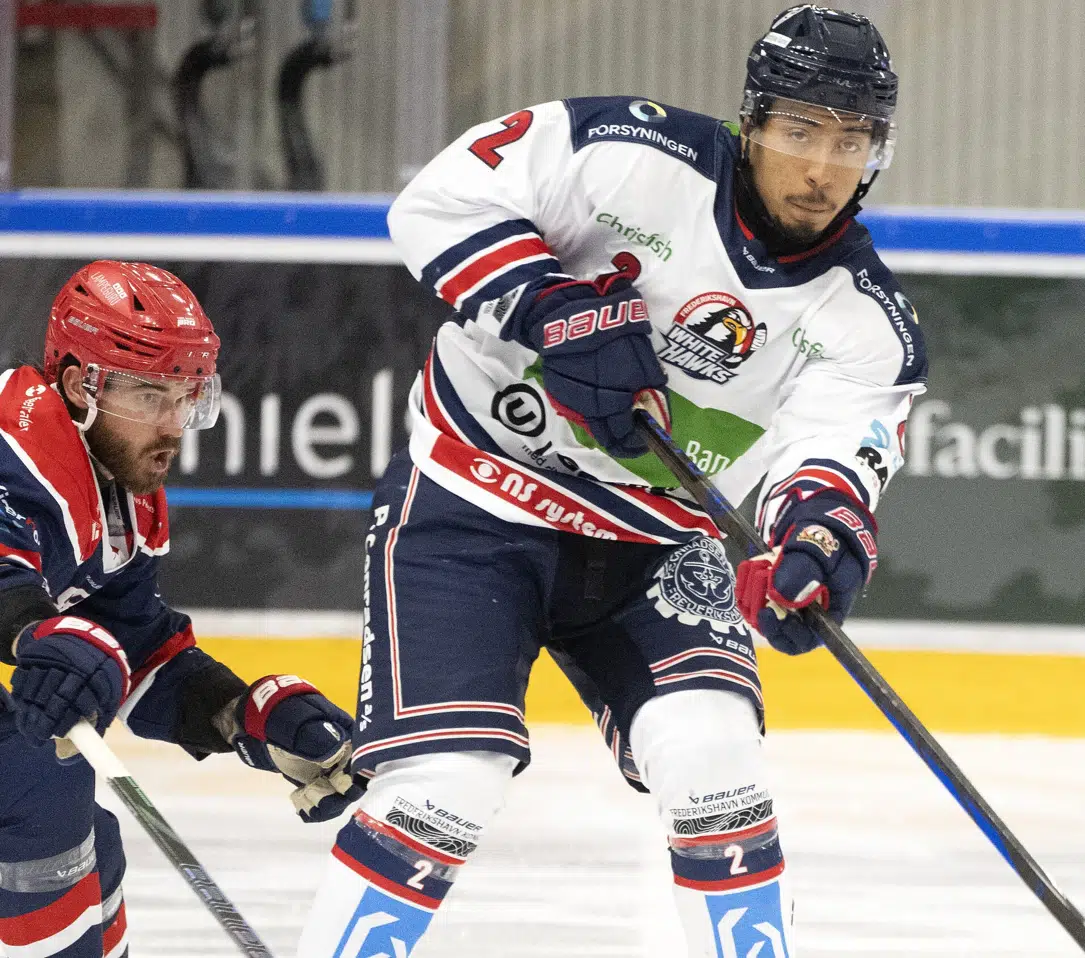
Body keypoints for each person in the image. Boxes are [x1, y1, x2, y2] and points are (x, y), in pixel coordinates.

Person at [297, 5, 925, 956]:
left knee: (718, 764)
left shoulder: (867, 319)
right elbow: (437, 199)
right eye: (800, 132)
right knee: (443, 788)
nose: (822, 169)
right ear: (751, 121)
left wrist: (816, 545)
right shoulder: (624, 149)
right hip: (475, 500)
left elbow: (830, 460)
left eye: (852, 141)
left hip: (656, 543)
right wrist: (549, 306)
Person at [0, 261, 363, 958]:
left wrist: (240, 713)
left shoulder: (117, 486)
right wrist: (32, 633)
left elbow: (132, 642)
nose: (175, 425)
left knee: (89, 848)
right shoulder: (16, 449)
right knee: (39, 795)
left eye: (186, 396)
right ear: (79, 385)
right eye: (149, 395)